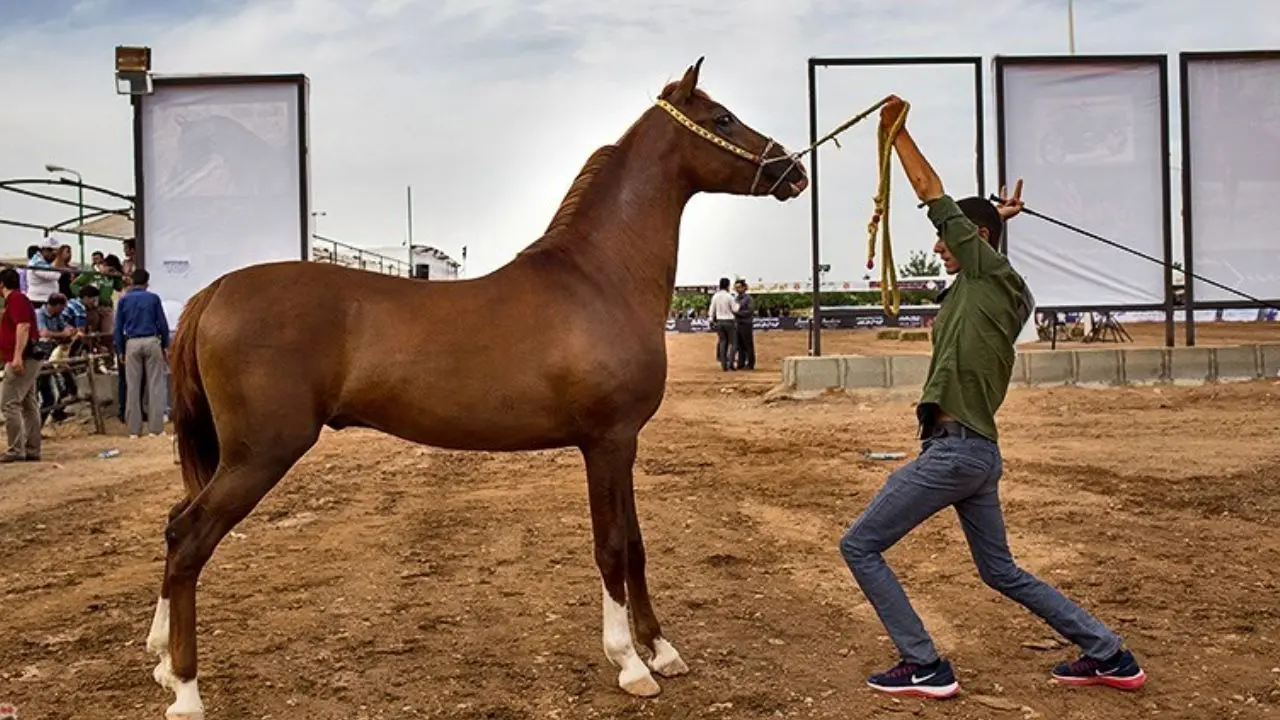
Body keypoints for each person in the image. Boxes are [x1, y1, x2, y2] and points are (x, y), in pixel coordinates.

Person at [837, 96, 1145, 699]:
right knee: (1000, 572)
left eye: (949, 240)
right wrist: (999, 219)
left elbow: (930, 190)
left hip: (953, 456)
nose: (939, 247)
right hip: (976, 456)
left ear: (973, 238)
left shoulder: (983, 274)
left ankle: (924, 664)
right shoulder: (999, 287)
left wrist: (894, 132)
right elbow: (981, 240)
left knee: (860, 545)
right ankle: (1108, 652)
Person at [114, 268, 169, 437]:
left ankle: (134, 430)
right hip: (152, 340)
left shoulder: (124, 300)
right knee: (155, 386)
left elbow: (117, 327)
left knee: (132, 387)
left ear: (131, 281)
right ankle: (156, 429)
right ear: (147, 282)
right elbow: (162, 324)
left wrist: (120, 350)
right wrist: (165, 345)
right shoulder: (153, 298)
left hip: (131, 342)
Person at [0, 267, 44, 463]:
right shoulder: (19, 299)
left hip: (22, 358)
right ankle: (32, 447)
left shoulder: (16, 300)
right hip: (28, 357)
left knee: (9, 402)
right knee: (28, 403)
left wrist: (17, 356)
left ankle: (16, 448)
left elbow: (23, 326)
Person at [708, 277, 739, 371]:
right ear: (727, 286)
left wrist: (711, 320)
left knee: (722, 342)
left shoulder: (715, 296)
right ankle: (731, 363)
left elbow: (711, 310)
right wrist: (738, 304)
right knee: (733, 343)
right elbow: (735, 309)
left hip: (719, 321)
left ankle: (723, 365)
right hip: (729, 321)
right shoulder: (730, 296)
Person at [731, 279, 756, 370]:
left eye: (739, 287)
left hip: (746, 324)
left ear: (744, 287)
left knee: (748, 345)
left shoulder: (749, 299)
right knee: (739, 345)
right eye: (736, 287)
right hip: (738, 324)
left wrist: (737, 313)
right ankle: (741, 363)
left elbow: (749, 311)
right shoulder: (736, 298)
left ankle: (750, 364)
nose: (738, 289)